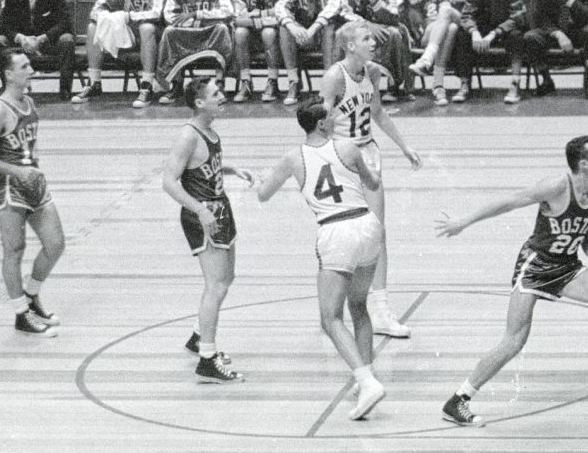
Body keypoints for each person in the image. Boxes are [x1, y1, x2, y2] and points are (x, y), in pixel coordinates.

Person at [436, 134, 588, 427]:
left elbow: (587, 235)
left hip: (566, 266)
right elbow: (511, 201)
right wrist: (464, 221)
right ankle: (458, 400)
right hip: (535, 265)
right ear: (583, 164)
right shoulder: (557, 186)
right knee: (515, 339)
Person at [254, 103, 388, 420]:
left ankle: (366, 382)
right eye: (329, 116)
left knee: (330, 318)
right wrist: (372, 168)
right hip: (368, 227)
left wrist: (262, 179)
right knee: (359, 306)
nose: (335, 118)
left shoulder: (292, 158)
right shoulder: (349, 147)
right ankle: (366, 376)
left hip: (336, 231)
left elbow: (262, 195)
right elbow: (372, 183)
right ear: (321, 124)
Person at [322, 21, 425, 338]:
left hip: (368, 152)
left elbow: (377, 113)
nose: (373, 43)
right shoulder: (334, 77)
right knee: (342, 236)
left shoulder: (374, 73)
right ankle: (331, 311)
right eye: (367, 38)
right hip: (341, 156)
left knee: (376, 232)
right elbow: (321, 122)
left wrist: (404, 146)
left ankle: (379, 310)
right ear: (350, 45)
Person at [161, 76, 251, 383]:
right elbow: (169, 181)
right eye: (216, 93)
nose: (223, 96)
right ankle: (207, 359)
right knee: (216, 285)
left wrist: (231, 169)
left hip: (220, 208)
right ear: (200, 102)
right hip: (204, 215)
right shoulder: (187, 135)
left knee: (226, 279)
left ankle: (199, 337)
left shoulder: (209, 130)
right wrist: (199, 210)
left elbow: (200, 167)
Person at [0, 48, 65, 335]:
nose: (31, 70)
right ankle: (20, 313)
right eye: (24, 66)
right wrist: (17, 171)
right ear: (9, 73)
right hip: (10, 186)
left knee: (55, 244)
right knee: (14, 250)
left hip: (34, 182)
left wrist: (33, 165)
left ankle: (31, 294)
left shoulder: (29, 101)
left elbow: (28, 142)